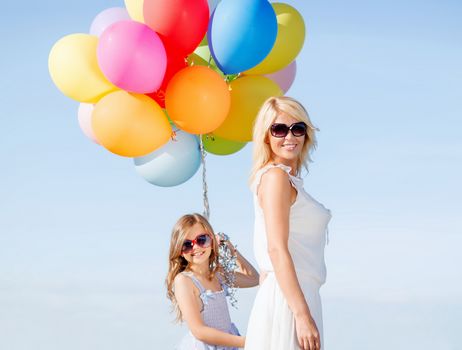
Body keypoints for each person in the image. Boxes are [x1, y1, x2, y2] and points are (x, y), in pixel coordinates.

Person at [244, 96, 332, 350]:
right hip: (291, 302)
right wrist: (301, 315)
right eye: (279, 129)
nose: (290, 136)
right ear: (265, 136)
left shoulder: (287, 181)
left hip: (298, 296)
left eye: (298, 128)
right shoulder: (275, 178)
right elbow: (276, 249)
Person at [166, 213, 260, 349]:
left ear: (212, 241)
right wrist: (245, 342)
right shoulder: (184, 281)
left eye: (202, 240)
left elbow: (253, 278)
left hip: (228, 345)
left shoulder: (218, 274)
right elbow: (199, 331)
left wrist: (229, 247)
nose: (196, 248)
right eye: (187, 245)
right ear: (180, 251)